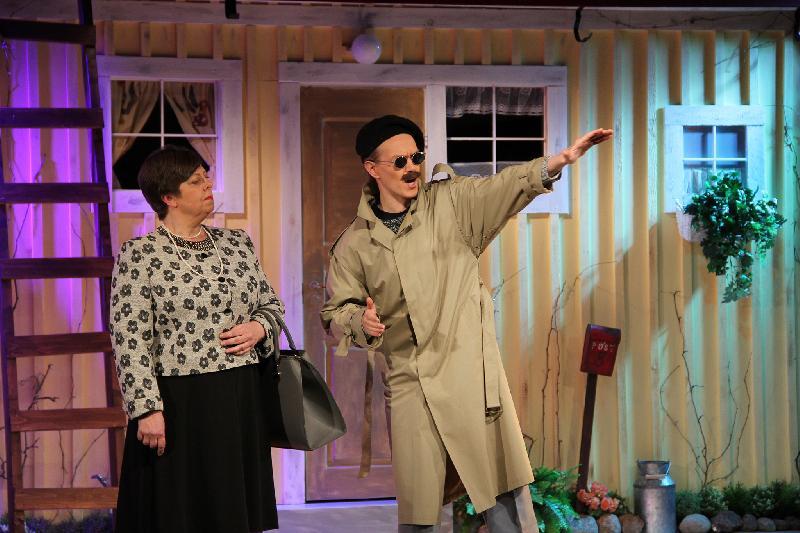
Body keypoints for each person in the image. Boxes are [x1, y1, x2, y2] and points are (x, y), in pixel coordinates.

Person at [320, 115, 613, 533]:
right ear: (372, 168)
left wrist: (560, 160)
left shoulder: (453, 203)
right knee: (419, 509)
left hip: (470, 376)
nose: (412, 168)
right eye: (399, 161)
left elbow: (506, 186)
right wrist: (359, 320)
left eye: (417, 157)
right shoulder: (355, 243)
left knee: (504, 496)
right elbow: (335, 313)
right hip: (410, 384)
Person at [109, 145, 284, 532]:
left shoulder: (237, 244)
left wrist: (259, 327)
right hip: (179, 404)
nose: (208, 185)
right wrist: (145, 409)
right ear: (169, 197)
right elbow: (129, 337)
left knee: (231, 511)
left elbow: (271, 304)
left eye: (206, 177)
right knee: (181, 513)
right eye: (196, 181)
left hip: (239, 397)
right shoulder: (140, 255)